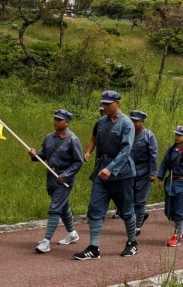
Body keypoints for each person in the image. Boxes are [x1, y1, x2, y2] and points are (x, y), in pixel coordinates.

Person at [74, 90, 138, 260]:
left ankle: (132, 242)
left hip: (121, 174)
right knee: (95, 208)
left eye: (109, 104)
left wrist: (111, 168)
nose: (105, 107)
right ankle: (94, 247)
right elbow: (98, 145)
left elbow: (126, 150)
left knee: (126, 209)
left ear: (118, 103)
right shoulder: (101, 122)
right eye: (104, 103)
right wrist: (96, 162)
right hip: (102, 172)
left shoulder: (126, 124)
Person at [29, 108, 83, 253]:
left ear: (67, 122)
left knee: (55, 208)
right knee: (62, 206)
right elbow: (44, 155)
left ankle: (46, 241)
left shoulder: (72, 139)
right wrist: (34, 155)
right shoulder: (49, 138)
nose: (55, 122)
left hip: (64, 180)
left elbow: (78, 162)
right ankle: (72, 233)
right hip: (51, 177)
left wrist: (65, 176)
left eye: (59, 120)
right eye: (55, 119)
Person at [156, 126, 183, 247]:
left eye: (179, 135)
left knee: (179, 213)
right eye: (176, 135)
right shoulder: (171, 150)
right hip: (171, 184)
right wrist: (160, 177)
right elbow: (164, 163)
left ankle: (177, 236)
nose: (176, 137)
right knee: (169, 212)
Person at [129, 110, 158, 236]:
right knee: (129, 199)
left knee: (140, 201)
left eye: (136, 121)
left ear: (142, 122)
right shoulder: (128, 134)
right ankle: (140, 215)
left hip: (143, 171)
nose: (134, 123)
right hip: (129, 171)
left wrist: (152, 173)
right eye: (132, 121)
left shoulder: (148, 136)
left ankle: (137, 226)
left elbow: (153, 155)